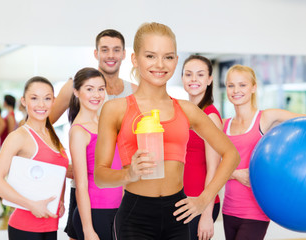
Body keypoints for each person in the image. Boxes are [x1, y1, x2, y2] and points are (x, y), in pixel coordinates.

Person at [94, 22, 240, 240]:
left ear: (176, 61)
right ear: (135, 59)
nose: (160, 64)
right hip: (136, 216)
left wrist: (203, 199)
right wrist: (129, 173)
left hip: (178, 214)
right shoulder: (115, 109)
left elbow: (231, 154)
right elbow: (100, 176)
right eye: (151, 56)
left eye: (169, 57)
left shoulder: (187, 109)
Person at [49, 29, 137, 240]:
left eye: (116, 50)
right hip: (87, 193)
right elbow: (42, 125)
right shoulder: (74, 88)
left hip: (119, 194)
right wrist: (61, 162)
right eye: (104, 50)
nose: (110, 55)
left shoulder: (134, 91)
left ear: (124, 54)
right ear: (96, 53)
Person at [222, 64, 306, 240]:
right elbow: (213, 167)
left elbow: (302, 123)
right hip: (229, 209)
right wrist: (236, 174)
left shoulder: (266, 117)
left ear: (253, 87)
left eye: (242, 85)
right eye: (231, 85)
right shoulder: (223, 125)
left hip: (256, 210)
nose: (236, 90)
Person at [0, 76, 69, 240]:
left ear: (53, 101)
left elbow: (57, 173)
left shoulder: (52, 136)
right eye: (34, 98)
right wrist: (31, 205)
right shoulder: (19, 136)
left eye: (47, 98)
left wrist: (59, 202)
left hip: (50, 224)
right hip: (25, 228)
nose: (41, 104)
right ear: (24, 101)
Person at [68, 67, 122, 240]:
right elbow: (81, 185)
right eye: (89, 89)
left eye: (100, 89)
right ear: (76, 92)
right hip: (95, 212)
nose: (96, 94)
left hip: (117, 210)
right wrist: (88, 230)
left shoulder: (105, 122)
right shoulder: (78, 131)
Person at [181, 55, 222, 240]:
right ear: (182, 78)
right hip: (182, 201)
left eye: (200, 74)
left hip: (200, 204)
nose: (193, 79)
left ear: (209, 79)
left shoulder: (210, 116)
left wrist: (206, 214)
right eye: (188, 74)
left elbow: (214, 168)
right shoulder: (183, 112)